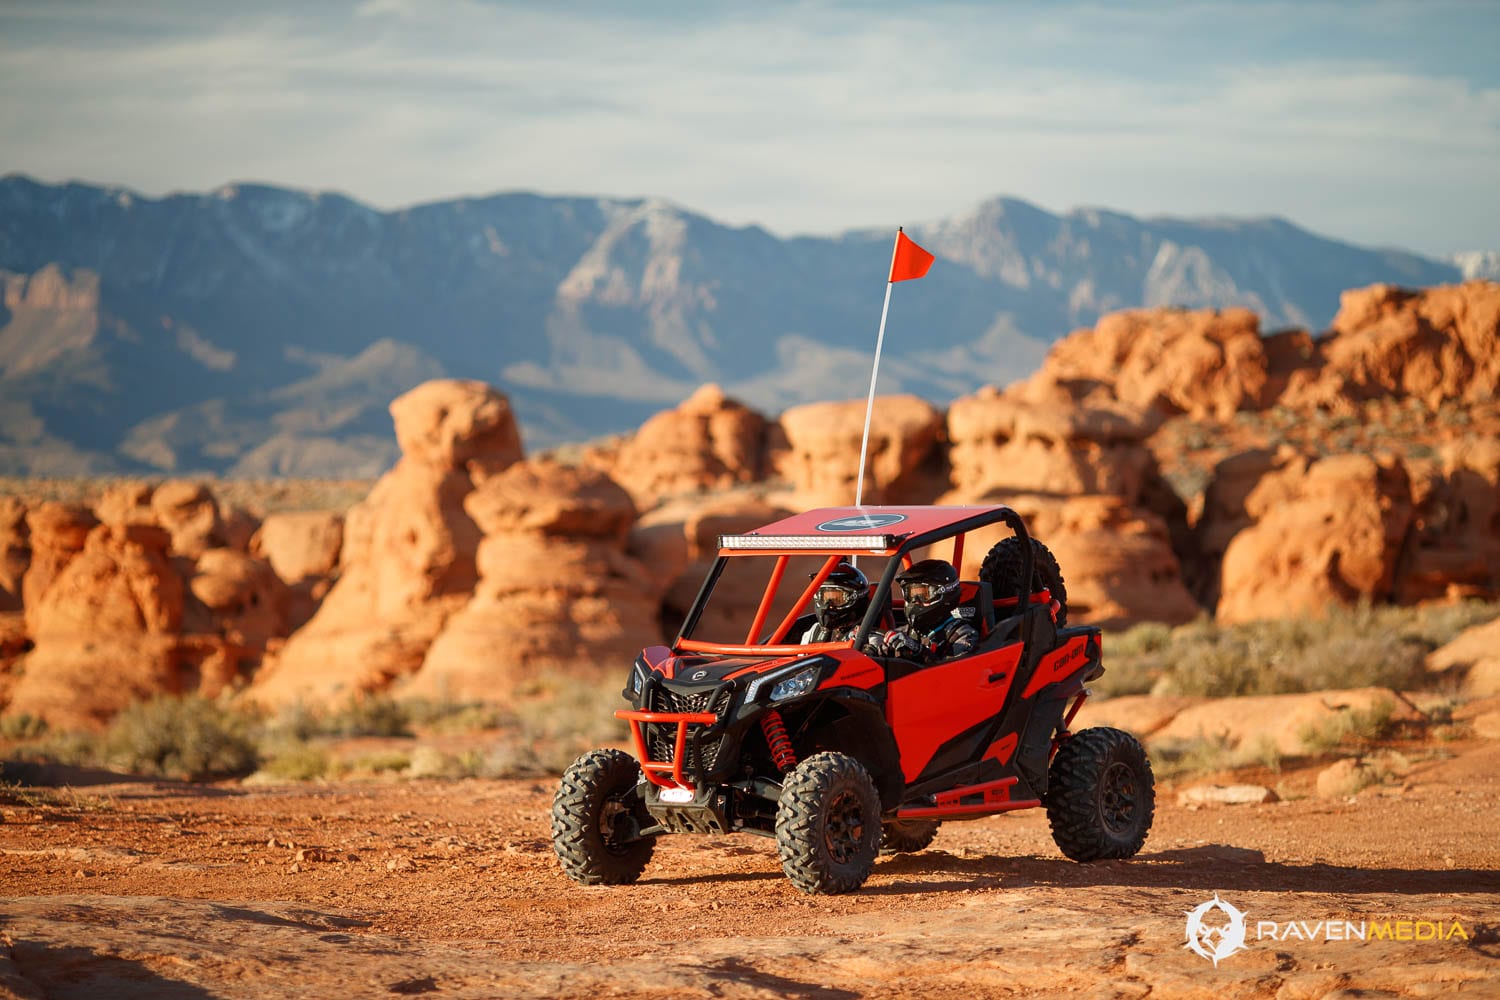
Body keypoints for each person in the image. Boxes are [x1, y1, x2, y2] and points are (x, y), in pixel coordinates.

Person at [863, 559, 978, 663]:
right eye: (911, 594)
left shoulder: (963, 634)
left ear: (945, 592)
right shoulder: (903, 632)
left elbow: (954, 675)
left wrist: (918, 652)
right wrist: (872, 650)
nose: (915, 601)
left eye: (923, 594)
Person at [801, 562, 871, 643]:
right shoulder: (814, 633)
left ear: (856, 599)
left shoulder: (870, 638)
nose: (828, 606)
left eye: (838, 599)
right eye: (825, 598)